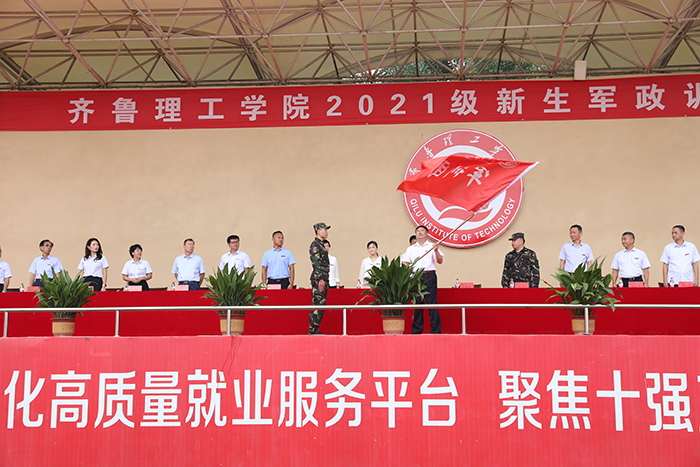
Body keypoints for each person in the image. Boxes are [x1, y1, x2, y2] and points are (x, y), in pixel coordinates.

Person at [402, 225, 444, 334]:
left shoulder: (432, 246)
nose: (419, 232)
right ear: (415, 234)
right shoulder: (411, 249)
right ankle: (417, 330)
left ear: (427, 234)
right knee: (417, 304)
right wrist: (407, 267)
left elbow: (440, 261)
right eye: (418, 231)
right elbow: (405, 262)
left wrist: (436, 250)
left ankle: (435, 330)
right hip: (416, 277)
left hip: (429, 276)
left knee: (432, 304)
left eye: (422, 231)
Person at [309, 222, 330, 334]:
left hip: (324, 277)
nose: (326, 232)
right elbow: (316, 263)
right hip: (319, 279)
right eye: (324, 230)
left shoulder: (321, 244)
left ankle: (315, 328)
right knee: (317, 304)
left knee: (321, 304)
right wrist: (321, 279)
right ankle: (312, 329)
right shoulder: (315, 245)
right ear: (318, 231)